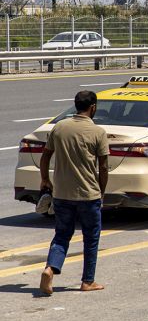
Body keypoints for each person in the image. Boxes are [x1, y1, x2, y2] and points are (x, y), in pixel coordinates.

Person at [38, 90, 109, 296]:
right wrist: (101, 192)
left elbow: (45, 157)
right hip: (88, 194)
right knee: (91, 237)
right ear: (93, 107)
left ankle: (50, 269)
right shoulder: (97, 132)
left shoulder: (60, 127)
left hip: (61, 194)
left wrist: (45, 179)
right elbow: (103, 167)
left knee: (61, 235)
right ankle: (87, 281)